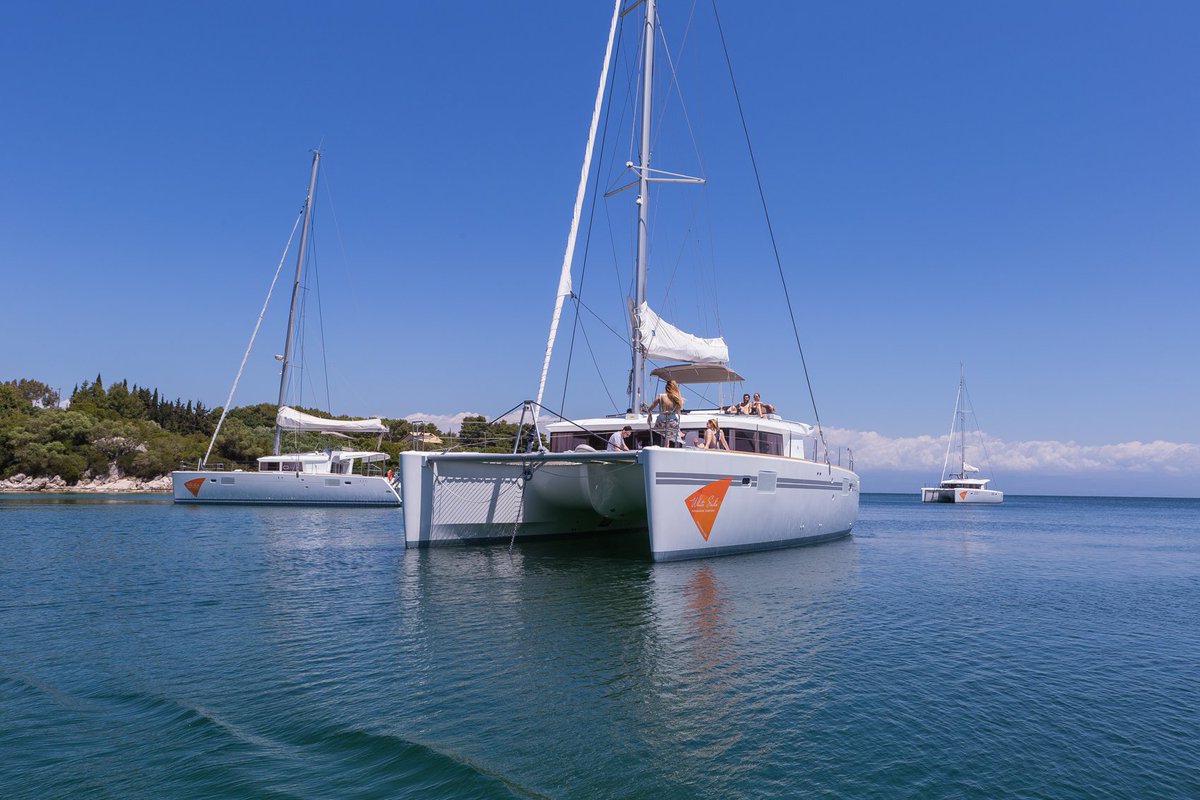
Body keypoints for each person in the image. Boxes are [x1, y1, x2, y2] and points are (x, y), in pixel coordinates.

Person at [646, 379, 684, 447]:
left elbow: (650, 408)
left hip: (661, 422)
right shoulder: (677, 398)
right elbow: (677, 411)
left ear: (666, 387)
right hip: (672, 422)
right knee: (672, 428)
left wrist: (649, 413)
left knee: (663, 431)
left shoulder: (660, 396)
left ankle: (665, 444)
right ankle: (669, 443)